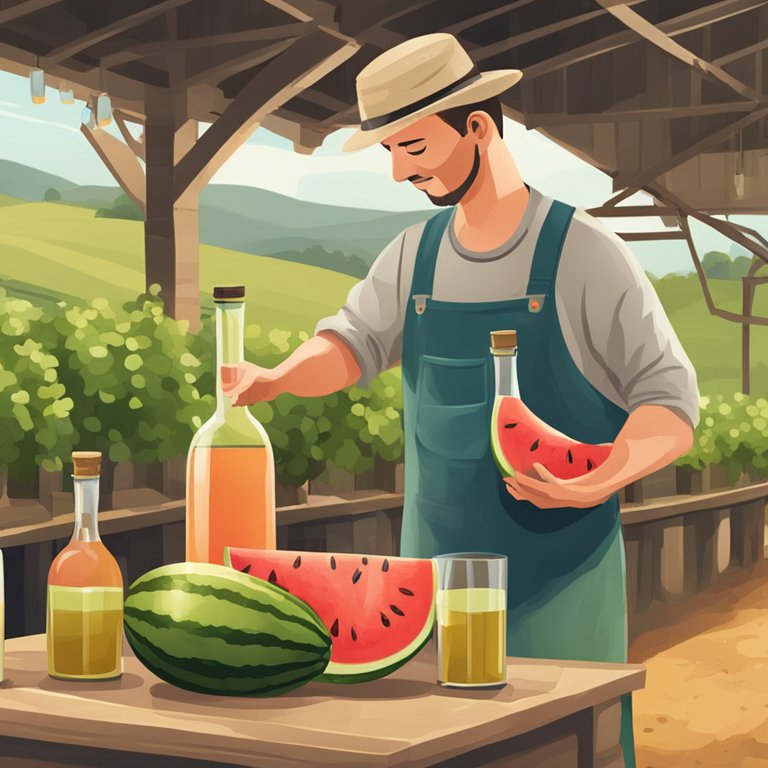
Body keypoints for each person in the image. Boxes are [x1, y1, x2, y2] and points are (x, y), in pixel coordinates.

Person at [221, 33, 698, 768]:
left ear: (477, 126)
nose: (399, 172)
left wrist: (597, 479)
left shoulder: (585, 253)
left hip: (559, 589)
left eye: (412, 148)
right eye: (389, 153)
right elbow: (350, 347)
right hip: (427, 595)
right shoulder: (412, 255)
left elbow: (669, 402)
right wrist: (281, 376)